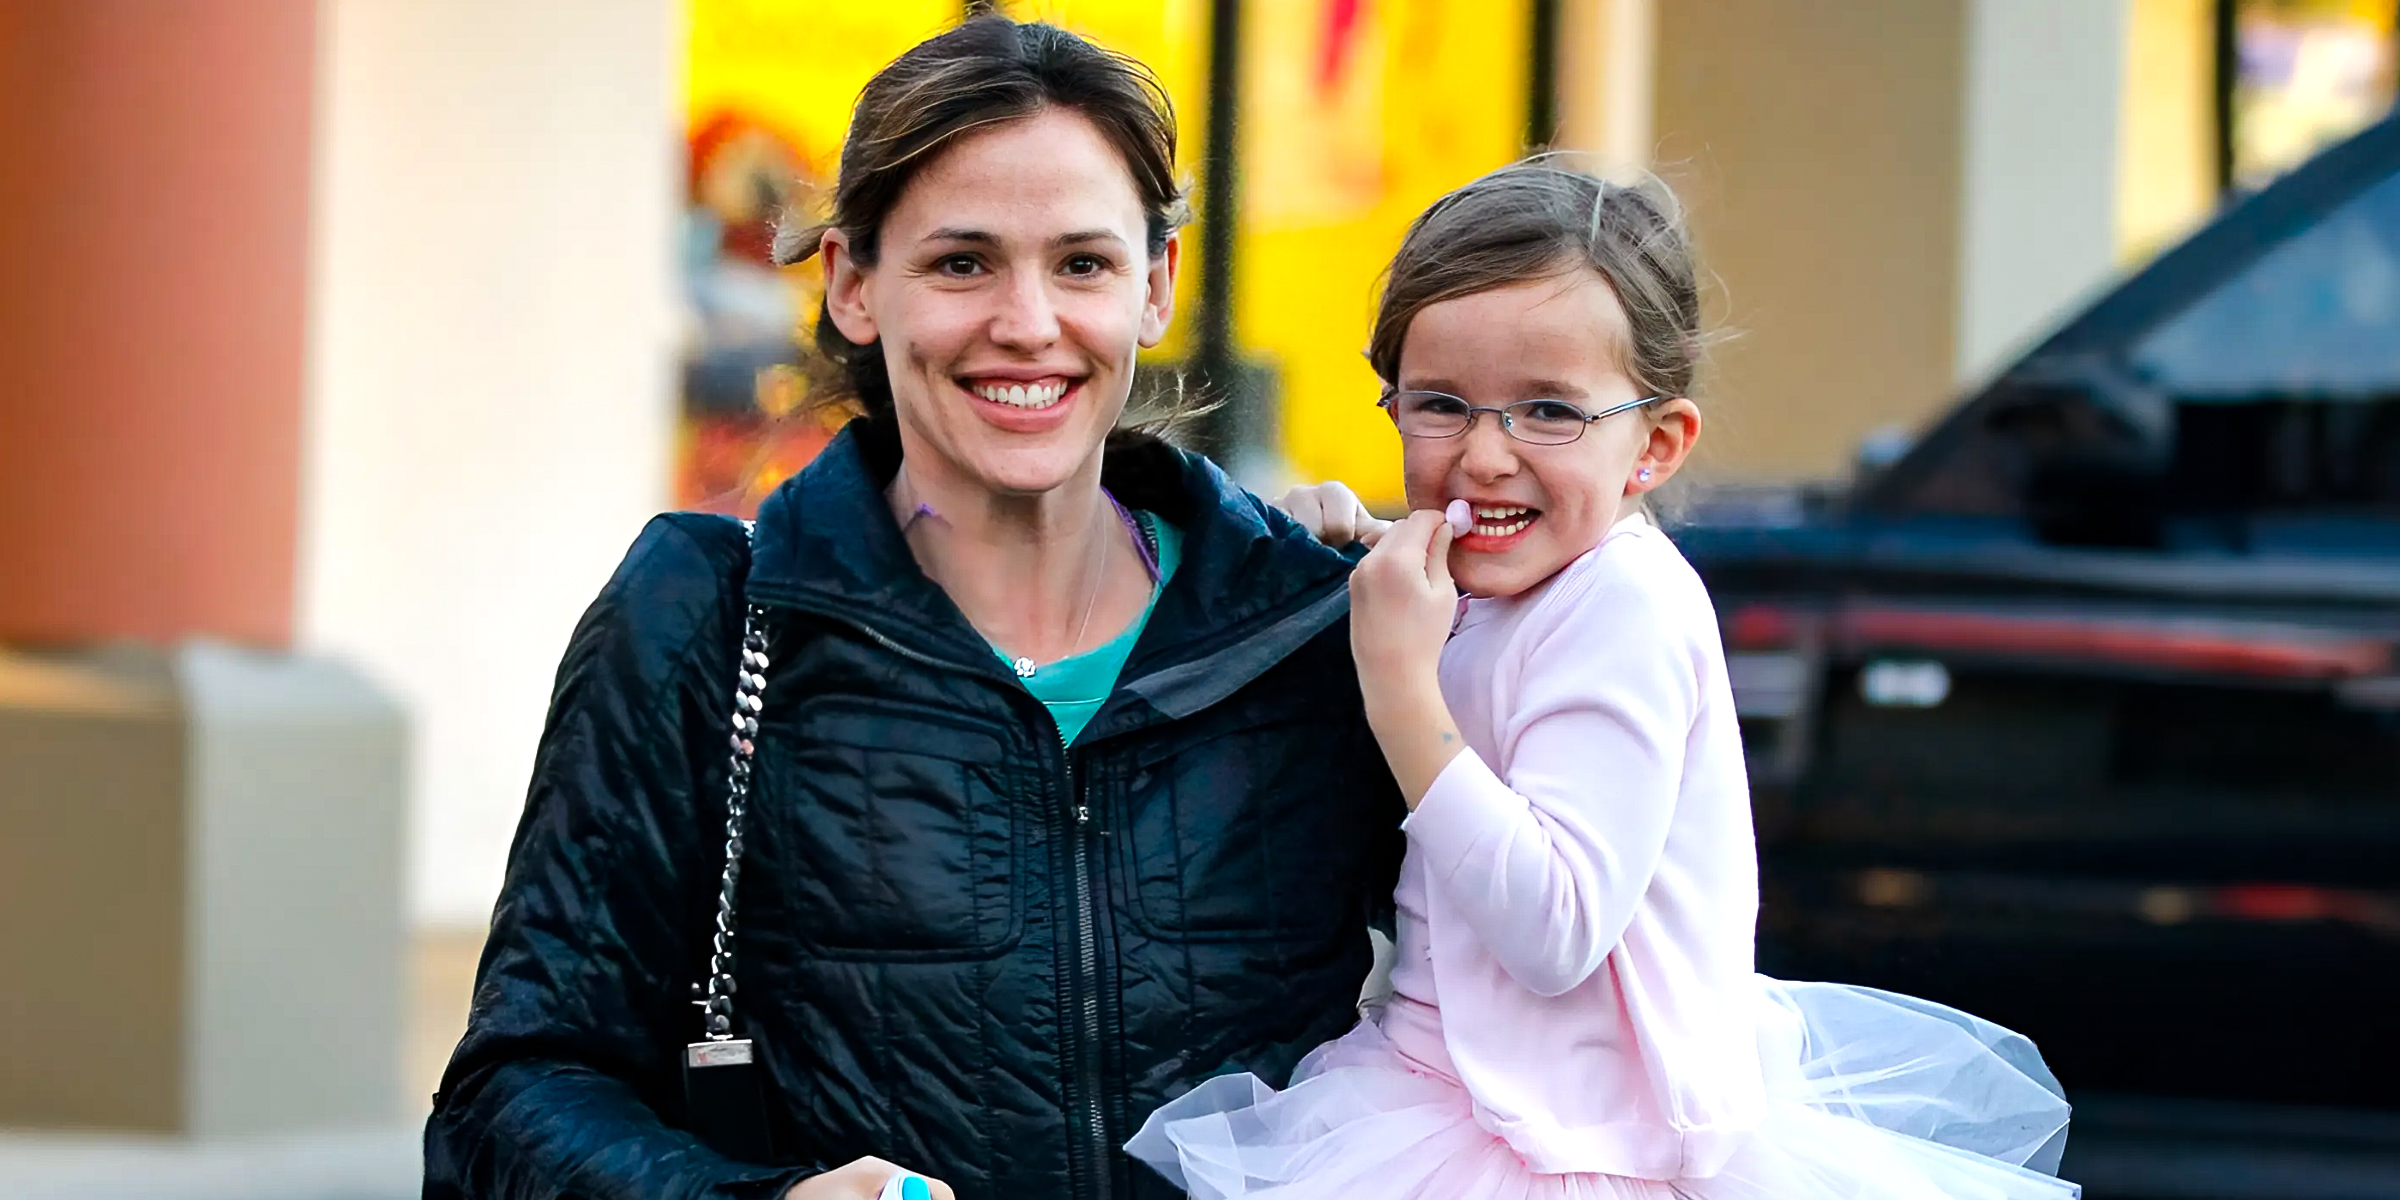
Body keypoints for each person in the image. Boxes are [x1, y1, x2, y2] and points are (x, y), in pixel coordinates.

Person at [422, 18, 1404, 1200]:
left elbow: (1571, 1013)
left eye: (1082, 264)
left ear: (1156, 287)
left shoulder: (1311, 631)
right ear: (851, 284)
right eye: (962, 262)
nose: (1028, 323)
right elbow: (510, 1100)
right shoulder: (709, 621)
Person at [1129, 162, 2081, 1199]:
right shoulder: (1497, 577)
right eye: (1442, 405)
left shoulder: (1625, 608)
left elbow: (1556, 928)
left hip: (1578, 1151)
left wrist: (1400, 686)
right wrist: (1341, 557)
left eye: (1548, 412)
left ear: (1655, 445)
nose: (1486, 457)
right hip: (1439, 1094)